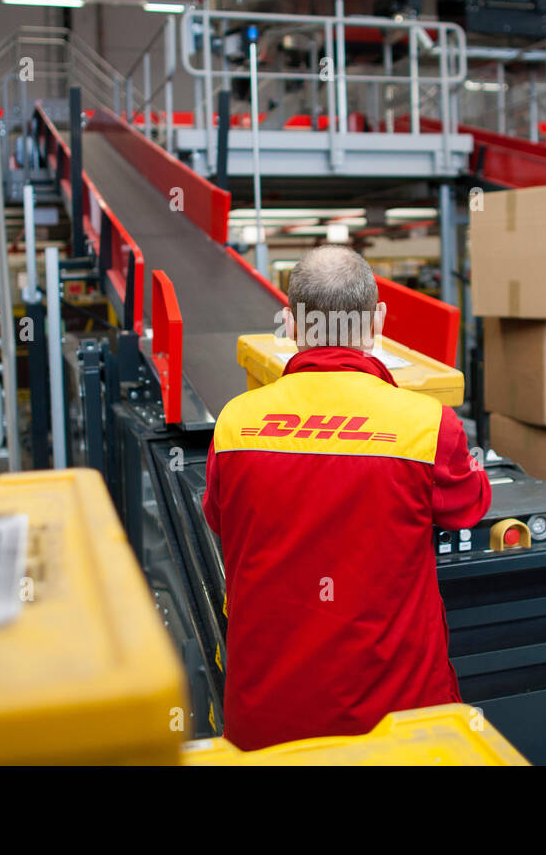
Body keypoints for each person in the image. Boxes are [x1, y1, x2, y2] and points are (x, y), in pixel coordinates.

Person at [203, 245, 491, 750]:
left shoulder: (234, 423)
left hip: (268, 723)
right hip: (398, 726)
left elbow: (222, 520)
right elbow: (469, 506)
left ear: (290, 324)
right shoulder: (428, 426)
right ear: (378, 321)